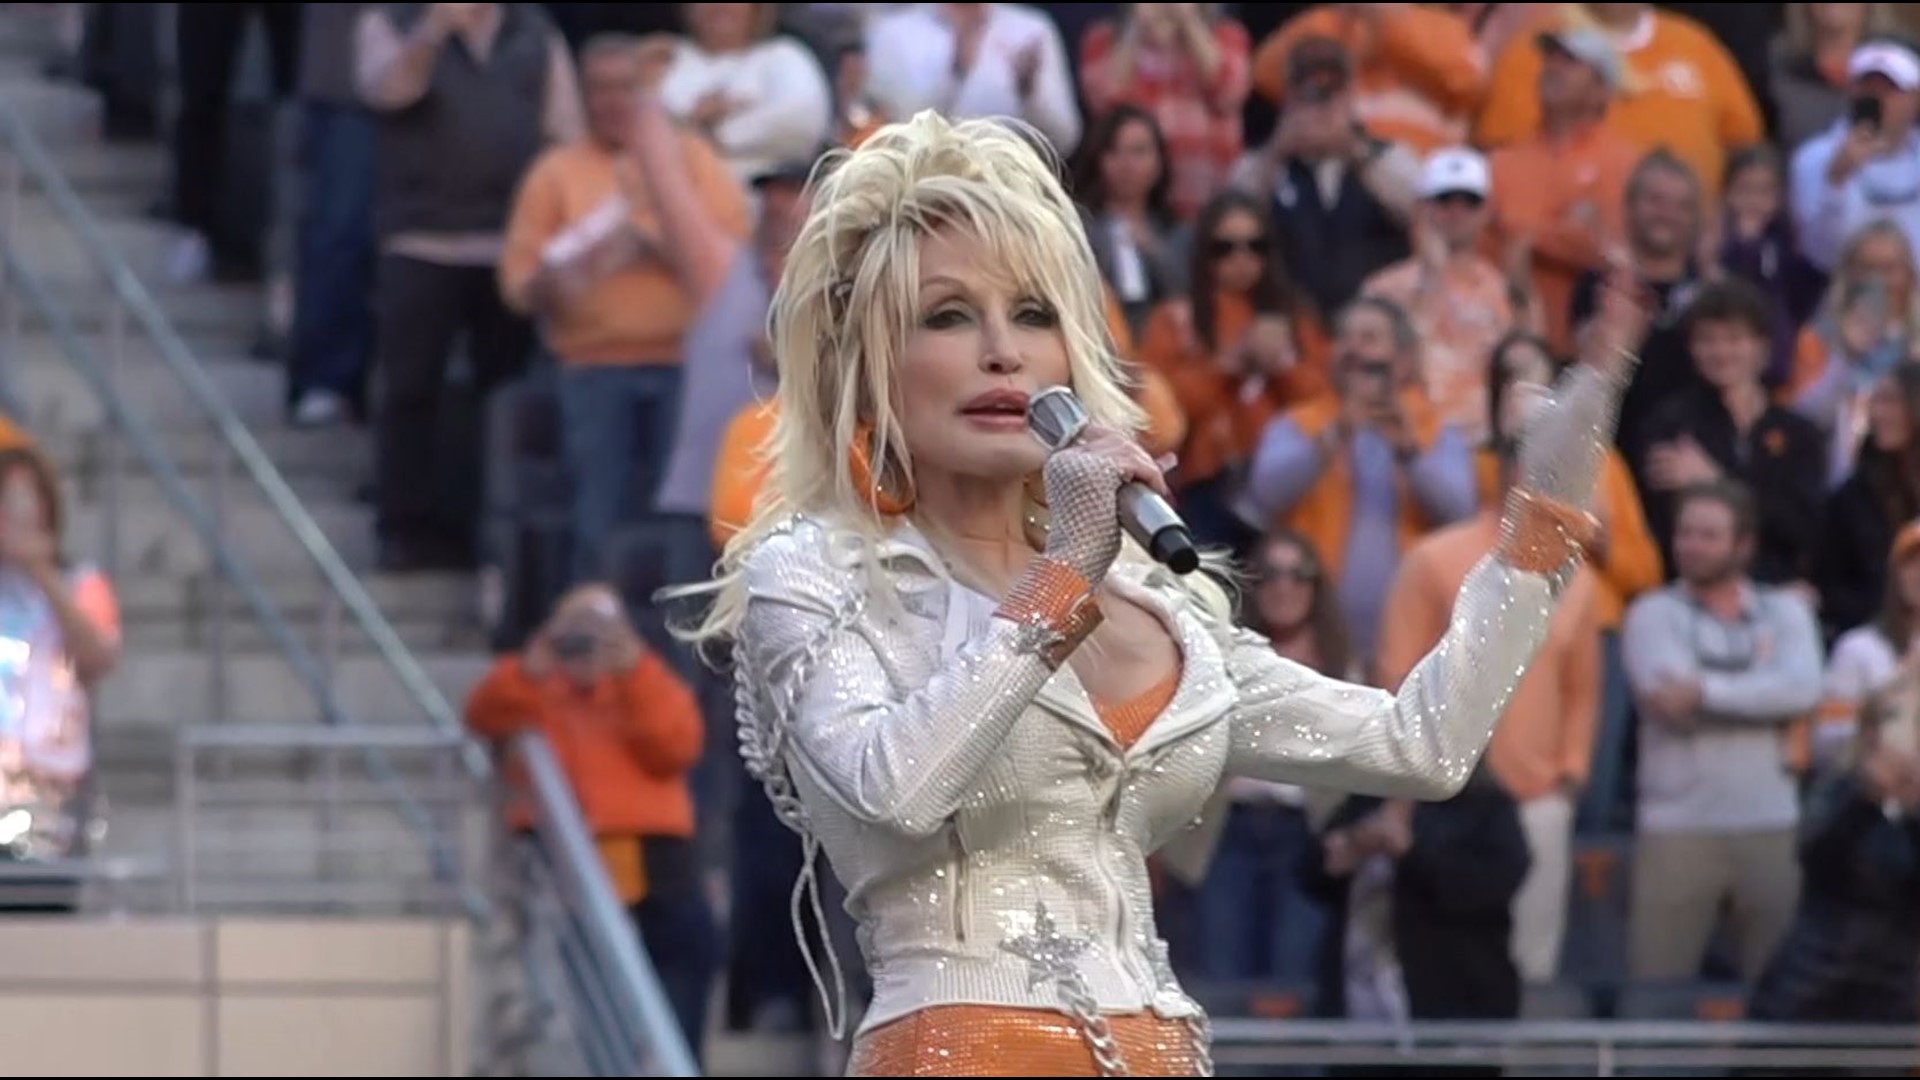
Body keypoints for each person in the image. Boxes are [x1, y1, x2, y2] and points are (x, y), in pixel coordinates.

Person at [677, 109, 1647, 1077]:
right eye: (946, 316)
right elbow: (897, 792)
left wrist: (1541, 524)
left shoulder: (1156, 601)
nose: (1002, 353)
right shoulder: (817, 571)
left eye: (1033, 314)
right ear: (869, 364)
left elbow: (1420, 745)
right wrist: (1064, 577)